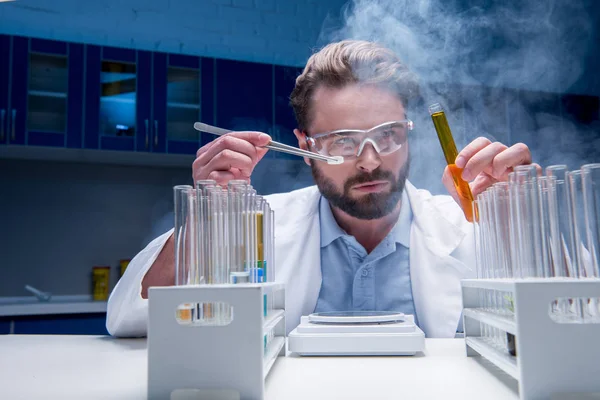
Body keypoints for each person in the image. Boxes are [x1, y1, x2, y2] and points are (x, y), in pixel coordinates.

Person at [106, 40, 534, 338]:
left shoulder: (466, 222)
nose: (369, 160)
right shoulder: (255, 228)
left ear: (409, 133)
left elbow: (571, 318)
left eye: (387, 135)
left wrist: (518, 220)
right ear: (304, 146)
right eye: (343, 141)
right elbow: (130, 318)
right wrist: (208, 216)